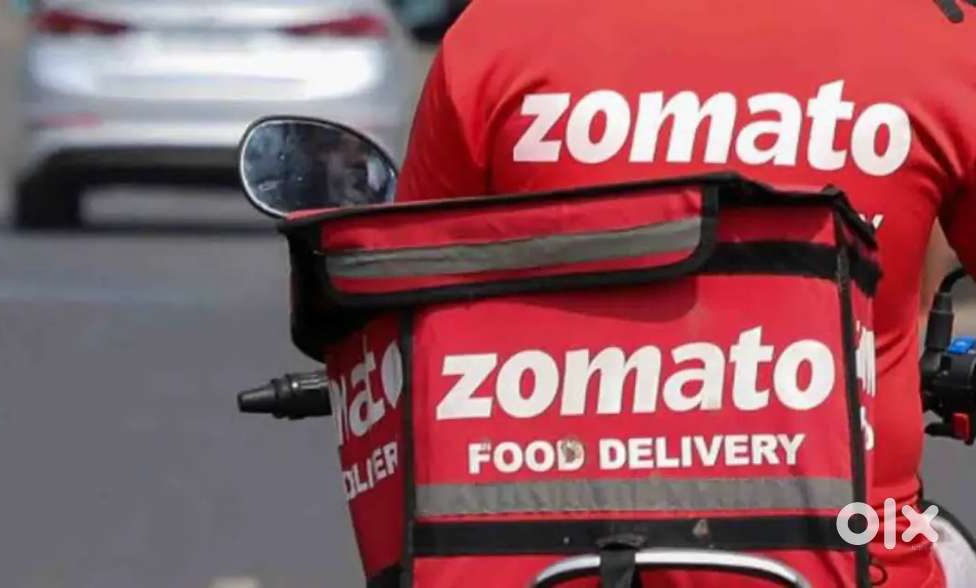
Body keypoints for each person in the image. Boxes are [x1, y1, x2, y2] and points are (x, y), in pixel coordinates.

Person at [395, 1, 976, 586]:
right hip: (857, 561)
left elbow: (406, 316)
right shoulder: (937, 41)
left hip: (543, 559)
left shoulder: (499, 31)